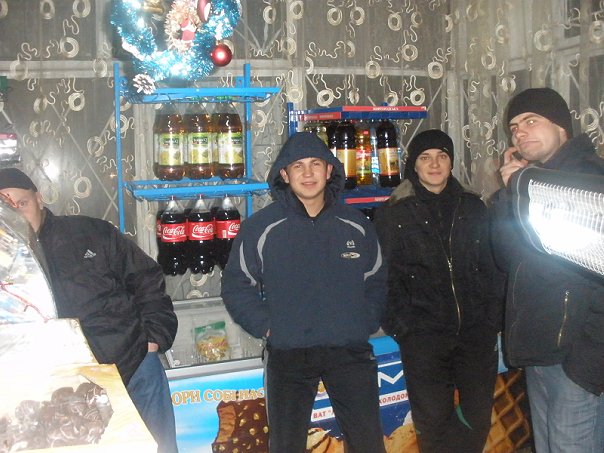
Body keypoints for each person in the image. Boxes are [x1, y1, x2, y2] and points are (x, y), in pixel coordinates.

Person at [221, 131, 387, 453]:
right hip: (289, 354)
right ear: (284, 174)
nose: (308, 173)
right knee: (286, 446)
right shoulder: (261, 227)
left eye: (316, 164)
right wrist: (269, 326)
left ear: (329, 170)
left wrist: (363, 322)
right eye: (298, 166)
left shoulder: (357, 225)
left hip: (349, 351)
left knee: (368, 443)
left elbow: (377, 280)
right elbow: (236, 285)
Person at [0, 168, 179, 453]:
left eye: (22, 203)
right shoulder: (4, 262)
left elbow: (146, 277)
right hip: (57, 389)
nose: (17, 214)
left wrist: (153, 339)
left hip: (132, 366)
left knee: (158, 447)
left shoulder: (90, 233)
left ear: (39, 199)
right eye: (7, 209)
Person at [374, 129, 503, 453]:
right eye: (425, 157)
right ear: (414, 165)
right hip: (424, 339)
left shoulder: (473, 206)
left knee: (477, 418)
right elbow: (384, 279)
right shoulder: (394, 213)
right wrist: (405, 329)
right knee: (432, 423)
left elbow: (492, 266)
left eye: (442, 156)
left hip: (475, 335)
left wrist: (491, 319)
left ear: (451, 163)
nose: (434, 164)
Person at [491, 87, 604, 452]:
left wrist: (586, 363)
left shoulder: (590, 181)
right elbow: (507, 257)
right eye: (513, 127)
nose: (519, 132)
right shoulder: (535, 183)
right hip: (540, 350)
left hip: (576, 357)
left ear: (560, 127)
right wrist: (511, 194)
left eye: (531, 121)